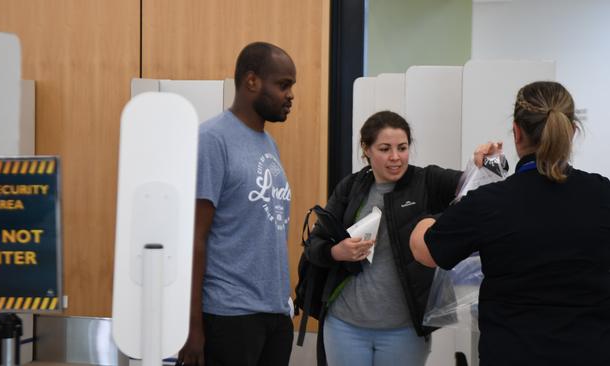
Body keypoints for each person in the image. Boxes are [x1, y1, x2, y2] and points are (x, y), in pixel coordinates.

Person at [410, 81, 610, 365]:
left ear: (516, 132)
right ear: (572, 132)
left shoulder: (491, 202)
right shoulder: (603, 195)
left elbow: (424, 251)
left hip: (513, 353)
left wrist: (469, 186)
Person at [306, 110, 468, 366]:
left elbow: (472, 185)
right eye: (385, 148)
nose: (395, 157)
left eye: (402, 148)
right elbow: (314, 245)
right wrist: (339, 251)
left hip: (403, 331)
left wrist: (481, 162)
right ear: (366, 149)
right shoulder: (350, 187)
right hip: (345, 324)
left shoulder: (426, 181)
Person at [177, 42, 296, 366]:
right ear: (252, 81)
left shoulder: (269, 143)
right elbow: (194, 238)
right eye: (283, 85)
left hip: (275, 313)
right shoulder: (212, 140)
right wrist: (192, 326)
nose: (290, 95)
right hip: (229, 316)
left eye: (291, 87)